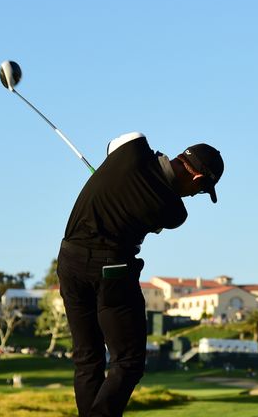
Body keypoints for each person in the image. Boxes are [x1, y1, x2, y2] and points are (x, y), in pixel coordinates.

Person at [56, 132, 223, 417]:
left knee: (88, 358)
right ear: (197, 180)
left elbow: (113, 148)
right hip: (111, 272)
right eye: (199, 192)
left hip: (69, 261)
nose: (193, 196)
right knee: (129, 360)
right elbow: (150, 202)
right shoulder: (174, 212)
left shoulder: (134, 147)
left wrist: (114, 174)